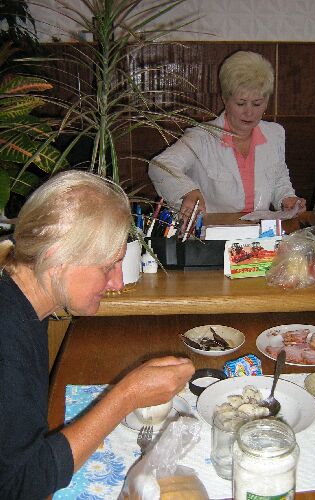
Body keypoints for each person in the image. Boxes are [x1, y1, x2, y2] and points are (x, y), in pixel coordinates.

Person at [0, 170, 194, 499]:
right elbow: (21, 484)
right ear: (56, 257)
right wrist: (125, 396)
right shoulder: (8, 342)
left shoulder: (23, 299)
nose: (117, 282)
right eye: (108, 266)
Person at [149, 51, 306, 225]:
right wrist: (189, 191)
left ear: (266, 102)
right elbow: (160, 166)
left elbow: (278, 178)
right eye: (241, 103)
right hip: (214, 235)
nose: (249, 112)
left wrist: (287, 198)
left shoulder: (275, 134)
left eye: (257, 103)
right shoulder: (202, 137)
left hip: (260, 234)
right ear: (225, 99)